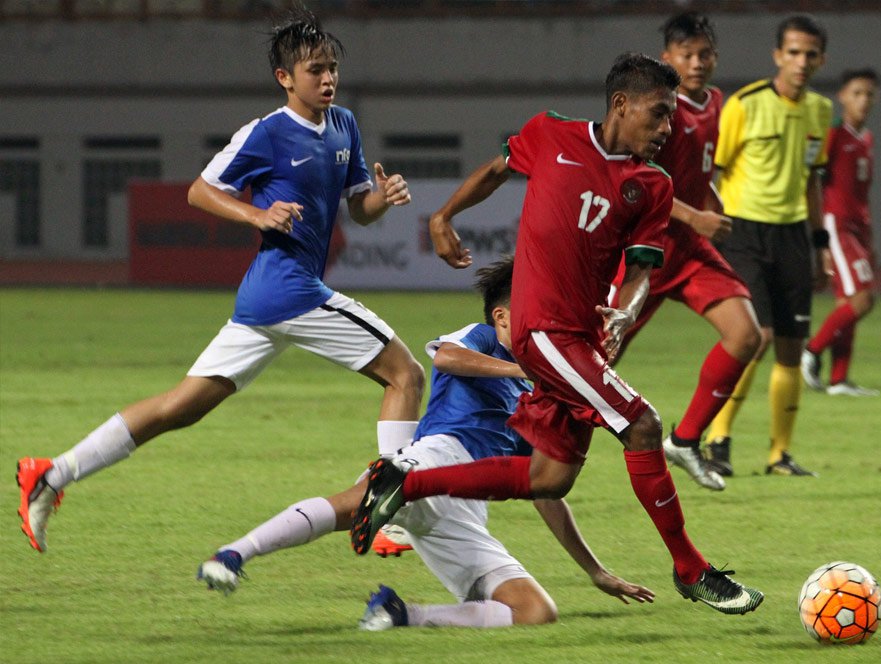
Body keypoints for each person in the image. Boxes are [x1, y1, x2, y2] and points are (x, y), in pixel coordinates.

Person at [352, 53, 764, 616]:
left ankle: (402, 483)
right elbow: (496, 171)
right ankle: (691, 569)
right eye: (660, 113)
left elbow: (642, 269)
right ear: (622, 104)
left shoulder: (653, 186)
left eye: (671, 118)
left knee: (550, 477)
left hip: (584, 337)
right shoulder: (552, 134)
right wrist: (442, 216)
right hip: (541, 330)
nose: (668, 129)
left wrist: (624, 309)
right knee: (643, 425)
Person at [16, 9, 424, 554]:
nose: (327, 80)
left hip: (266, 300)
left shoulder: (345, 124)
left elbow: (361, 209)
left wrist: (382, 197)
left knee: (179, 407)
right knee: (407, 375)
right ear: (285, 78)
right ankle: (389, 515)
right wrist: (257, 216)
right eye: (314, 71)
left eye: (331, 69)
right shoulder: (267, 133)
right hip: (292, 292)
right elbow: (200, 190)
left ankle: (51, 473)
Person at [197, 257, 655, 629]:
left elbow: (544, 488)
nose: (544, 324)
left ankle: (401, 614)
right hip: (434, 460)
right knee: (352, 505)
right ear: (501, 317)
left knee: (535, 611)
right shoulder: (482, 344)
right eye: (534, 314)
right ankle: (235, 553)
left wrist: (595, 571)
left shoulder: (544, 391)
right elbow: (446, 356)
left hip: (469, 509)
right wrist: (522, 370)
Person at [608, 12, 761, 492]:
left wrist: (709, 209)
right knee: (597, 359)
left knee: (746, 335)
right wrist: (695, 216)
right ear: (667, 58)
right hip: (646, 249)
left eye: (705, 54)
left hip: (691, 251)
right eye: (687, 54)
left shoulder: (716, 102)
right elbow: (637, 181)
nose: (697, 63)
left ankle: (686, 439)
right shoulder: (657, 109)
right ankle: (532, 438)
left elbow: (702, 172)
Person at [702, 14, 833, 478]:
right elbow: (712, 171)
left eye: (810, 54)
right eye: (793, 52)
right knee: (754, 339)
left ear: (821, 59)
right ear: (778, 55)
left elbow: (813, 180)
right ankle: (718, 438)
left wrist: (820, 245)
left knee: (792, 348)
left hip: (794, 235)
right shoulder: (745, 105)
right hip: (744, 233)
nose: (801, 61)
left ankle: (780, 454)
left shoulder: (820, 111)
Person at [802, 69, 880, 397]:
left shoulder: (866, 139)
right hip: (836, 224)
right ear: (842, 96)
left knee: (848, 302)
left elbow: (861, 192)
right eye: (857, 93)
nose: (863, 100)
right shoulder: (833, 133)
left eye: (869, 94)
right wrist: (817, 229)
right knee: (863, 300)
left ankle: (839, 380)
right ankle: (812, 350)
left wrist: (868, 235)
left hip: (858, 228)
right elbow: (811, 178)